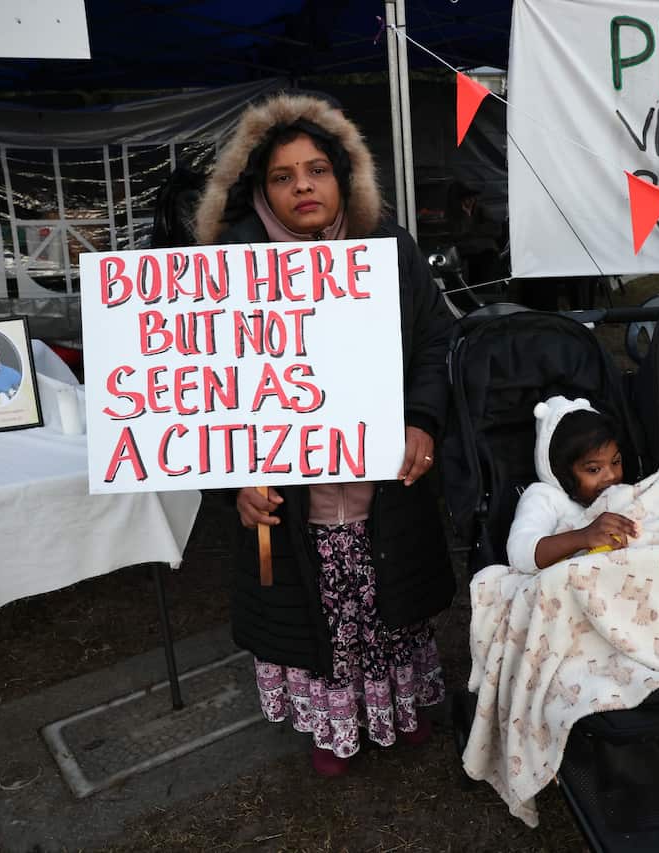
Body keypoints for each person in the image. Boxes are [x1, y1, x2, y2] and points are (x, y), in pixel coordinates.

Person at [193, 93, 457, 777]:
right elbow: (204, 390)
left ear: (344, 176)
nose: (303, 186)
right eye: (282, 176)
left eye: (317, 170)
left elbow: (435, 339)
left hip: (383, 485)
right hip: (291, 500)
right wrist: (235, 484)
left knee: (391, 599)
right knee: (316, 615)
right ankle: (329, 725)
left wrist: (422, 419)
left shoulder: (388, 249)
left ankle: (400, 705)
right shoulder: (229, 265)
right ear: (259, 187)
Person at [505, 397, 639, 572]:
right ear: (561, 471)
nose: (611, 476)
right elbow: (520, 554)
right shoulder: (543, 496)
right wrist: (583, 537)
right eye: (594, 469)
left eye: (616, 462)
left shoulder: (620, 493)